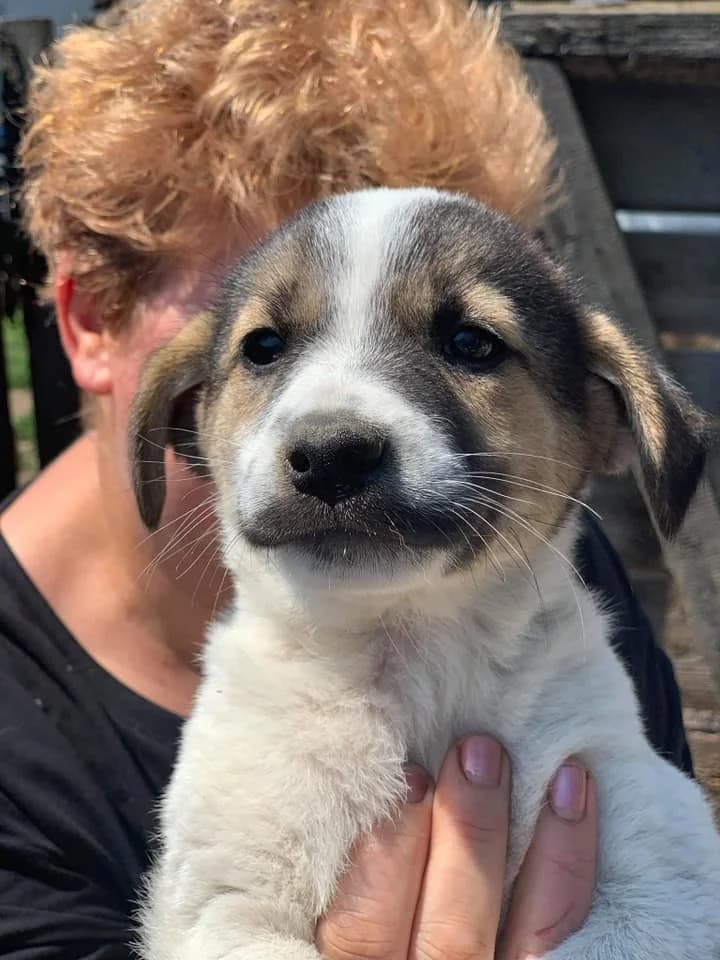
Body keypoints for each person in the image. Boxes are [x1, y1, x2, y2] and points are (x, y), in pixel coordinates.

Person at [0, 1, 692, 958]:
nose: (334, 419)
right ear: (100, 329)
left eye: (466, 339)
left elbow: (673, 906)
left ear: (598, 425)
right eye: (271, 340)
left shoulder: (563, 609)